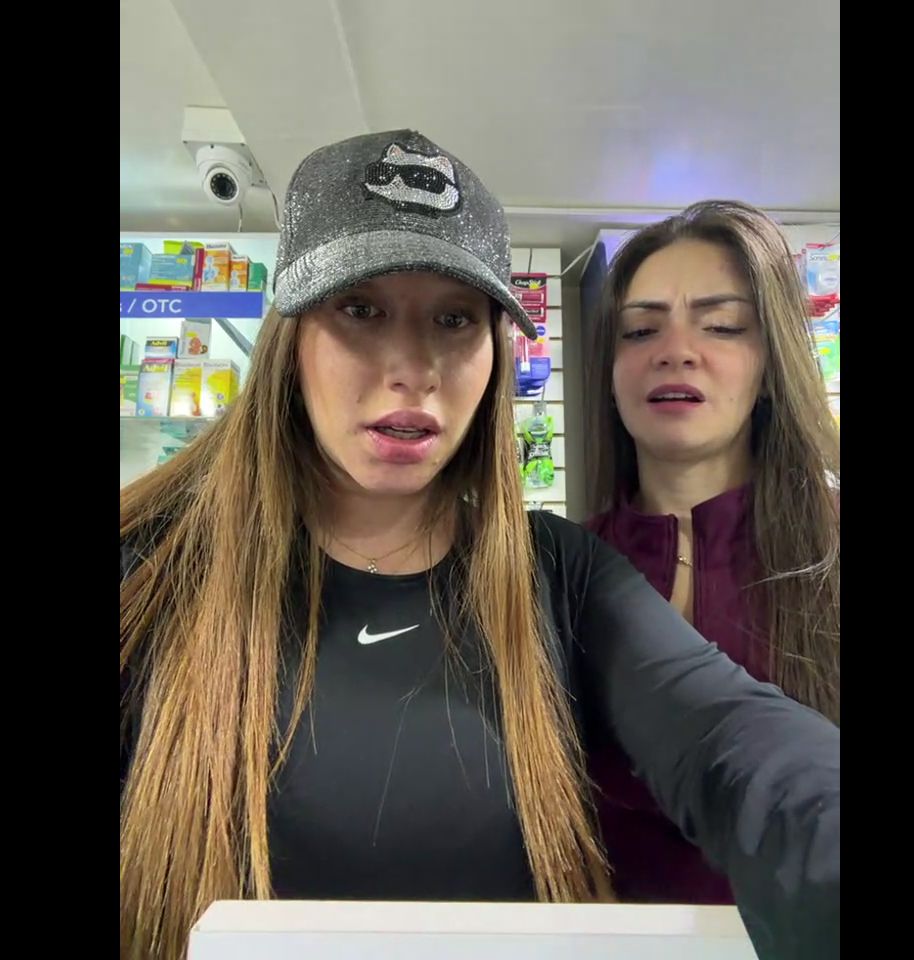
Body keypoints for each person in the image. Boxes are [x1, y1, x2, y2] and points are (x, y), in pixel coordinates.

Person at [120, 132, 839, 960]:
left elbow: (724, 734)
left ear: (494, 352)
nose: (413, 367)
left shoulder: (560, 574)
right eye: (361, 309)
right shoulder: (149, 565)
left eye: (454, 319)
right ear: (292, 337)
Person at [584, 201, 840, 904]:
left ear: (772, 362)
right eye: (641, 330)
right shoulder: (556, 573)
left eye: (722, 325)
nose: (676, 350)